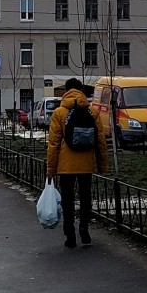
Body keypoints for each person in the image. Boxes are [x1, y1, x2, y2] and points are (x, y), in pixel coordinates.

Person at [46, 77, 108, 248]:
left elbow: (54, 143)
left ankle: (70, 236)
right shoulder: (92, 112)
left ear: (66, 91)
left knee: (68, 200)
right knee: (86, 197)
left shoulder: (59, 113)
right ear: (81, 91)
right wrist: (102, 165)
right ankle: (84, 229)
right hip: (86, 163)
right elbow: (101, 141)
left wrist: (50, 168)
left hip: (66, 166)